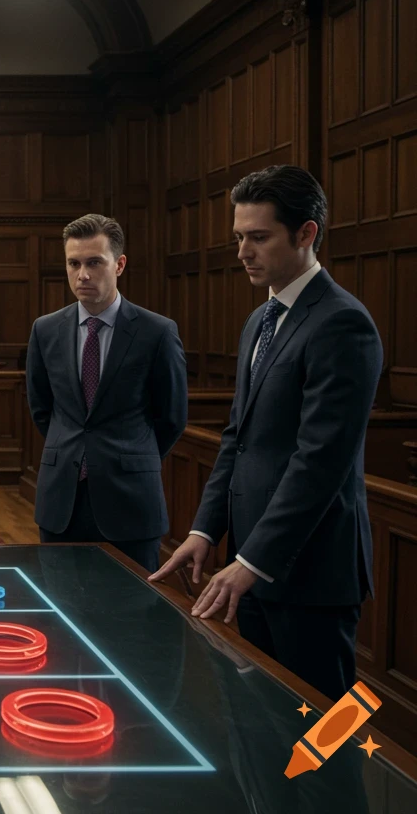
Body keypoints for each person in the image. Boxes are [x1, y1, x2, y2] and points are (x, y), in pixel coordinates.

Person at [151, 165, 382, 701]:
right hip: (249, 565)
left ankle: (345, 789)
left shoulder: (342, 322)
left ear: (307, 234)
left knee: (325, 743)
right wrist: (205, 531)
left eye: (259, 237)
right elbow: (239, 439)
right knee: (269, 730)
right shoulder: (261, 319)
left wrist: (253, 561)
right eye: (239, 238)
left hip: (309, 571)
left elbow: (320, 461)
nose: (243, 252)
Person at [25, 214, 188, 573]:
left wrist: (129, 457)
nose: (82, 274)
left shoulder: (156, 332)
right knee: (61, 609)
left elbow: (172, 417)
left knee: (131, 616)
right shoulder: (46, 330)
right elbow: (42, 409)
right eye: (74, 263)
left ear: (119, 264)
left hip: (130, 499)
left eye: (94, 262)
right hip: (61, 498)